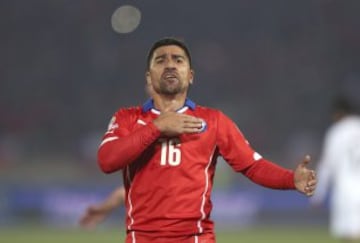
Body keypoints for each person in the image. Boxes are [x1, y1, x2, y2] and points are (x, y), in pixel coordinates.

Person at [97, 37, 317, 243]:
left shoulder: (214, 121)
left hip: (195, 237)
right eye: (161, 60)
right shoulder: (127, 118)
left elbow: (252, 165)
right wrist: (158, 126)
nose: (170, 65)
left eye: (178, 60)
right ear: (148, 76)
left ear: (190, 75)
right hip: (141, 238)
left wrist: (290, 179)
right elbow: (107, 161)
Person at [311, 96, 360, 242]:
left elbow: (327, 165)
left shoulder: (337, 132)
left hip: (346, 190)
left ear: (338, 113)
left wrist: (318, 194)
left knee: (349, 234)